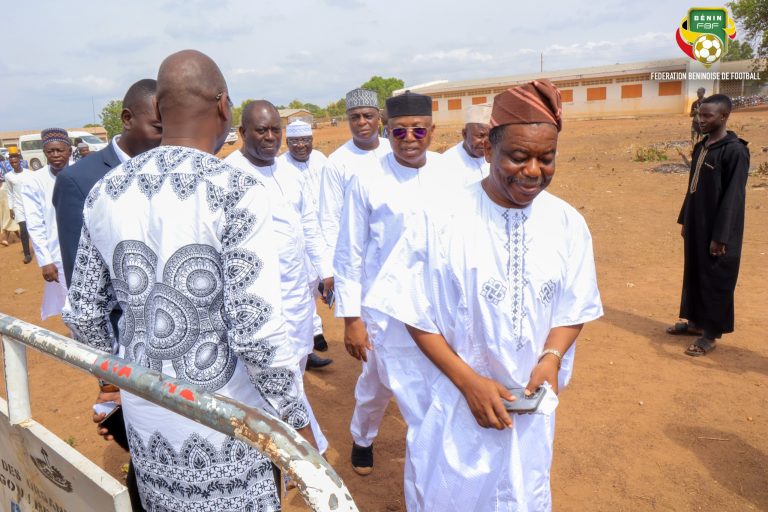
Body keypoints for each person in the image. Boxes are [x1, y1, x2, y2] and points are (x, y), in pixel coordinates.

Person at [62, 50, 315, 510]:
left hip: (147, 417)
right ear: (224, 107)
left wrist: (114, 378)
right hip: (226, 425)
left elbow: (83, 312)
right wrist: (296, 423)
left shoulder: (107, 191)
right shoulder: (236, 190)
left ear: (158, 110)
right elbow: (256, 332)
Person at [366, 80, 603, 510]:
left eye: (546, 159)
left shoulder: (566, 223)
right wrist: (469, 383)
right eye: (519, 157)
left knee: (522, 493)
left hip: (529, 412)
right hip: (456, 405)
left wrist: (551, 358)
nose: (533, 171)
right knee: (450, 494)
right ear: (488, 151)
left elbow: (576, 303)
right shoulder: (439, 219)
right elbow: (413, 314)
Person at [334, 91, 463, 475]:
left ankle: (429, 454)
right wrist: (351, 318)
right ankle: (362, 437)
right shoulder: (367, 179)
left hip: (435, 305)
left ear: (432, 132)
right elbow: (349, 251)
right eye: (400, 132)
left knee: (434, 383)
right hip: (384, 309)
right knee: (377, 384)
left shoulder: (449, 174)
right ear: (387, 132)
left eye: (418, 131)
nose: (409, 139)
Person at [227, 102, 334, 372]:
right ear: (243, 132)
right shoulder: (228, 174)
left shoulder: (288, 172)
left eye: (276, 129)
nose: (271, 137)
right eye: (262, 130)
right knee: (268, 370)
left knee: (297, 360)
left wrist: (325, 269)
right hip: (258, 299)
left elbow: (308, 223)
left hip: (297, 291)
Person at [54, 78, 162, 287]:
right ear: (127, 119)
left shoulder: (169, 170)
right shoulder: (78, 180)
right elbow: (81, 279)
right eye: (158, 128)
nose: (165, 138)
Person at [669, 93, 749, 356]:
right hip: (696, 222)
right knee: (694, 272)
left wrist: (721, 236)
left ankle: (711, 333)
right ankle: (694, 323)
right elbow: (691, 188)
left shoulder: (735, 151)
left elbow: (733, 197)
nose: (699, 119)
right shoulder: (702, 147)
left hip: (719, 229)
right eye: (699, 114)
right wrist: (685, 219)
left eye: (707, 115)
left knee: (716, 279)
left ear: (723, 117)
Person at [278, 120, 332, 353]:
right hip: (299, 237)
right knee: (303, 288)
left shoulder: (322, 160)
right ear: (287, 142)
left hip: (324, 232)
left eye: (305, 140)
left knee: (323, 281)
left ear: (312, 140)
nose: (301, 145)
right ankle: (312, 336)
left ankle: (312, 333)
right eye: (294, 141)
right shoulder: (280, 166)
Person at [318, 88, 391, 253]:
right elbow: (330, 218)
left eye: (368, 116)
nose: (361, 122)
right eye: (355, 117)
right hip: (357, 253)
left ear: (379, 118)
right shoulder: (336, 162)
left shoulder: (393, 151)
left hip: (392, 250)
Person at [21, 128, 71, 319]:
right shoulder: (35, 181)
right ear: (45, 153)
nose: (56, 155)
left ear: (69, 151)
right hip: (57, 252)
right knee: (70, 303)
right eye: (51, 151)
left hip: (86, 250)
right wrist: (45, 261)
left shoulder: (81, 174)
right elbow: (35, 224)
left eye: (60, 150)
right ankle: (78, 344)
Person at [441, 103, 491, 184]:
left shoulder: (494, 157)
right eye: (480, 136)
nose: (486, 142)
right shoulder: (447, 163)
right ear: (464, 134)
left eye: (490, 136)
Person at [4, 147, 33, 263]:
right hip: (18, 206)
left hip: (31, 205)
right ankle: (27, 254)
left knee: (33, 228)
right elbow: (10, 193)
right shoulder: (8, 176)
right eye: (11, 163)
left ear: (20, 161)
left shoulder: (30, 174)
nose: (14, 164)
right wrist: (11, 208)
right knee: (23, 229)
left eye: (15, 162)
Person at [0, 154, 20, 247]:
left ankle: (5, 237)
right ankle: (18, 235)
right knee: (10, 212)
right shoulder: (10, 164)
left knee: (6, 214)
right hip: (14, 188)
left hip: (3, 189)